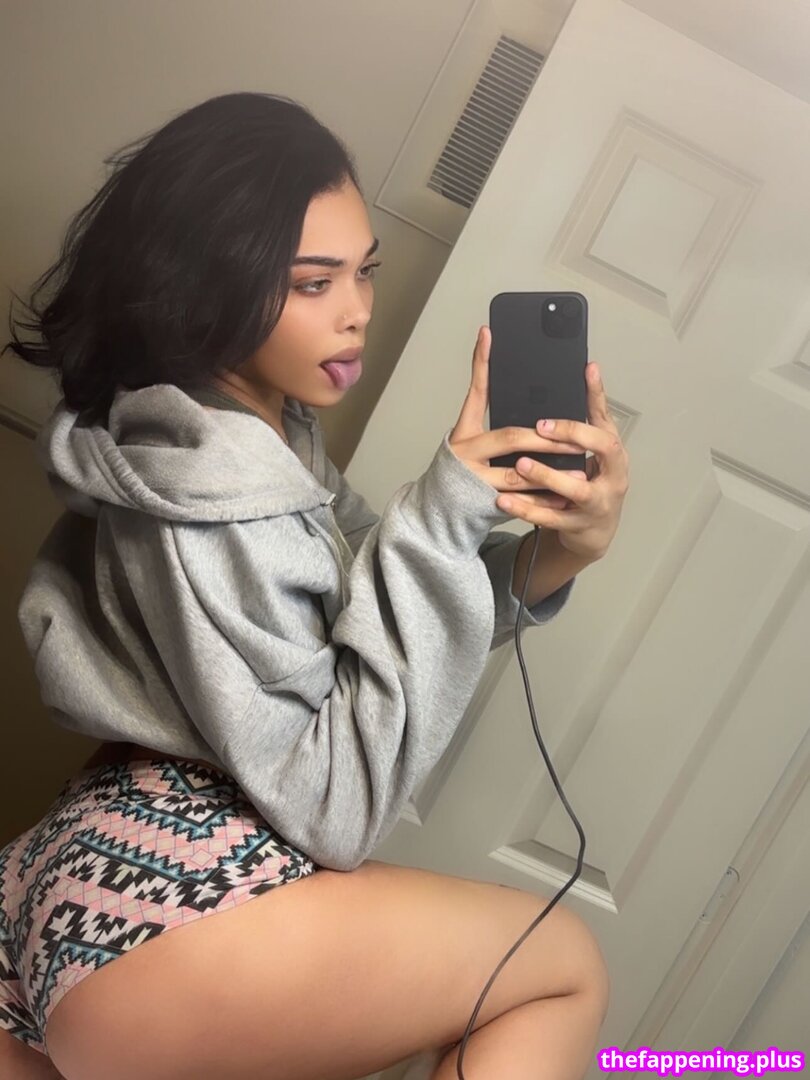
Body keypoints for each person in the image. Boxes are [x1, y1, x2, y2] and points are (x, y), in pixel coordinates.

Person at [0, 92, 628, 1080]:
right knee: (561, 967)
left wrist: (559, 552)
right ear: (205, 283)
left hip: (63, 876)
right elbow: (334, 807)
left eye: (364, 271)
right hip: (172, 901)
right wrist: (447, 508)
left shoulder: (242, 436)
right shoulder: (214, 490)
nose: (357, 309)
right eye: (312, 282)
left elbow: (372, 594)